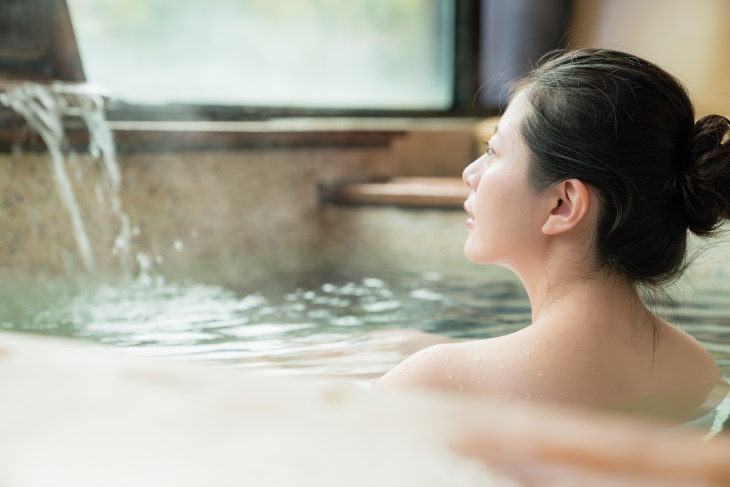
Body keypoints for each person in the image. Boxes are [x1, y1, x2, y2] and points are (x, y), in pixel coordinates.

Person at [375, 48, 730, 423]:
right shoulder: (695, 368)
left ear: (562, 204)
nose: (470, 173)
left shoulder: (433, 386)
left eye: (492, 151)